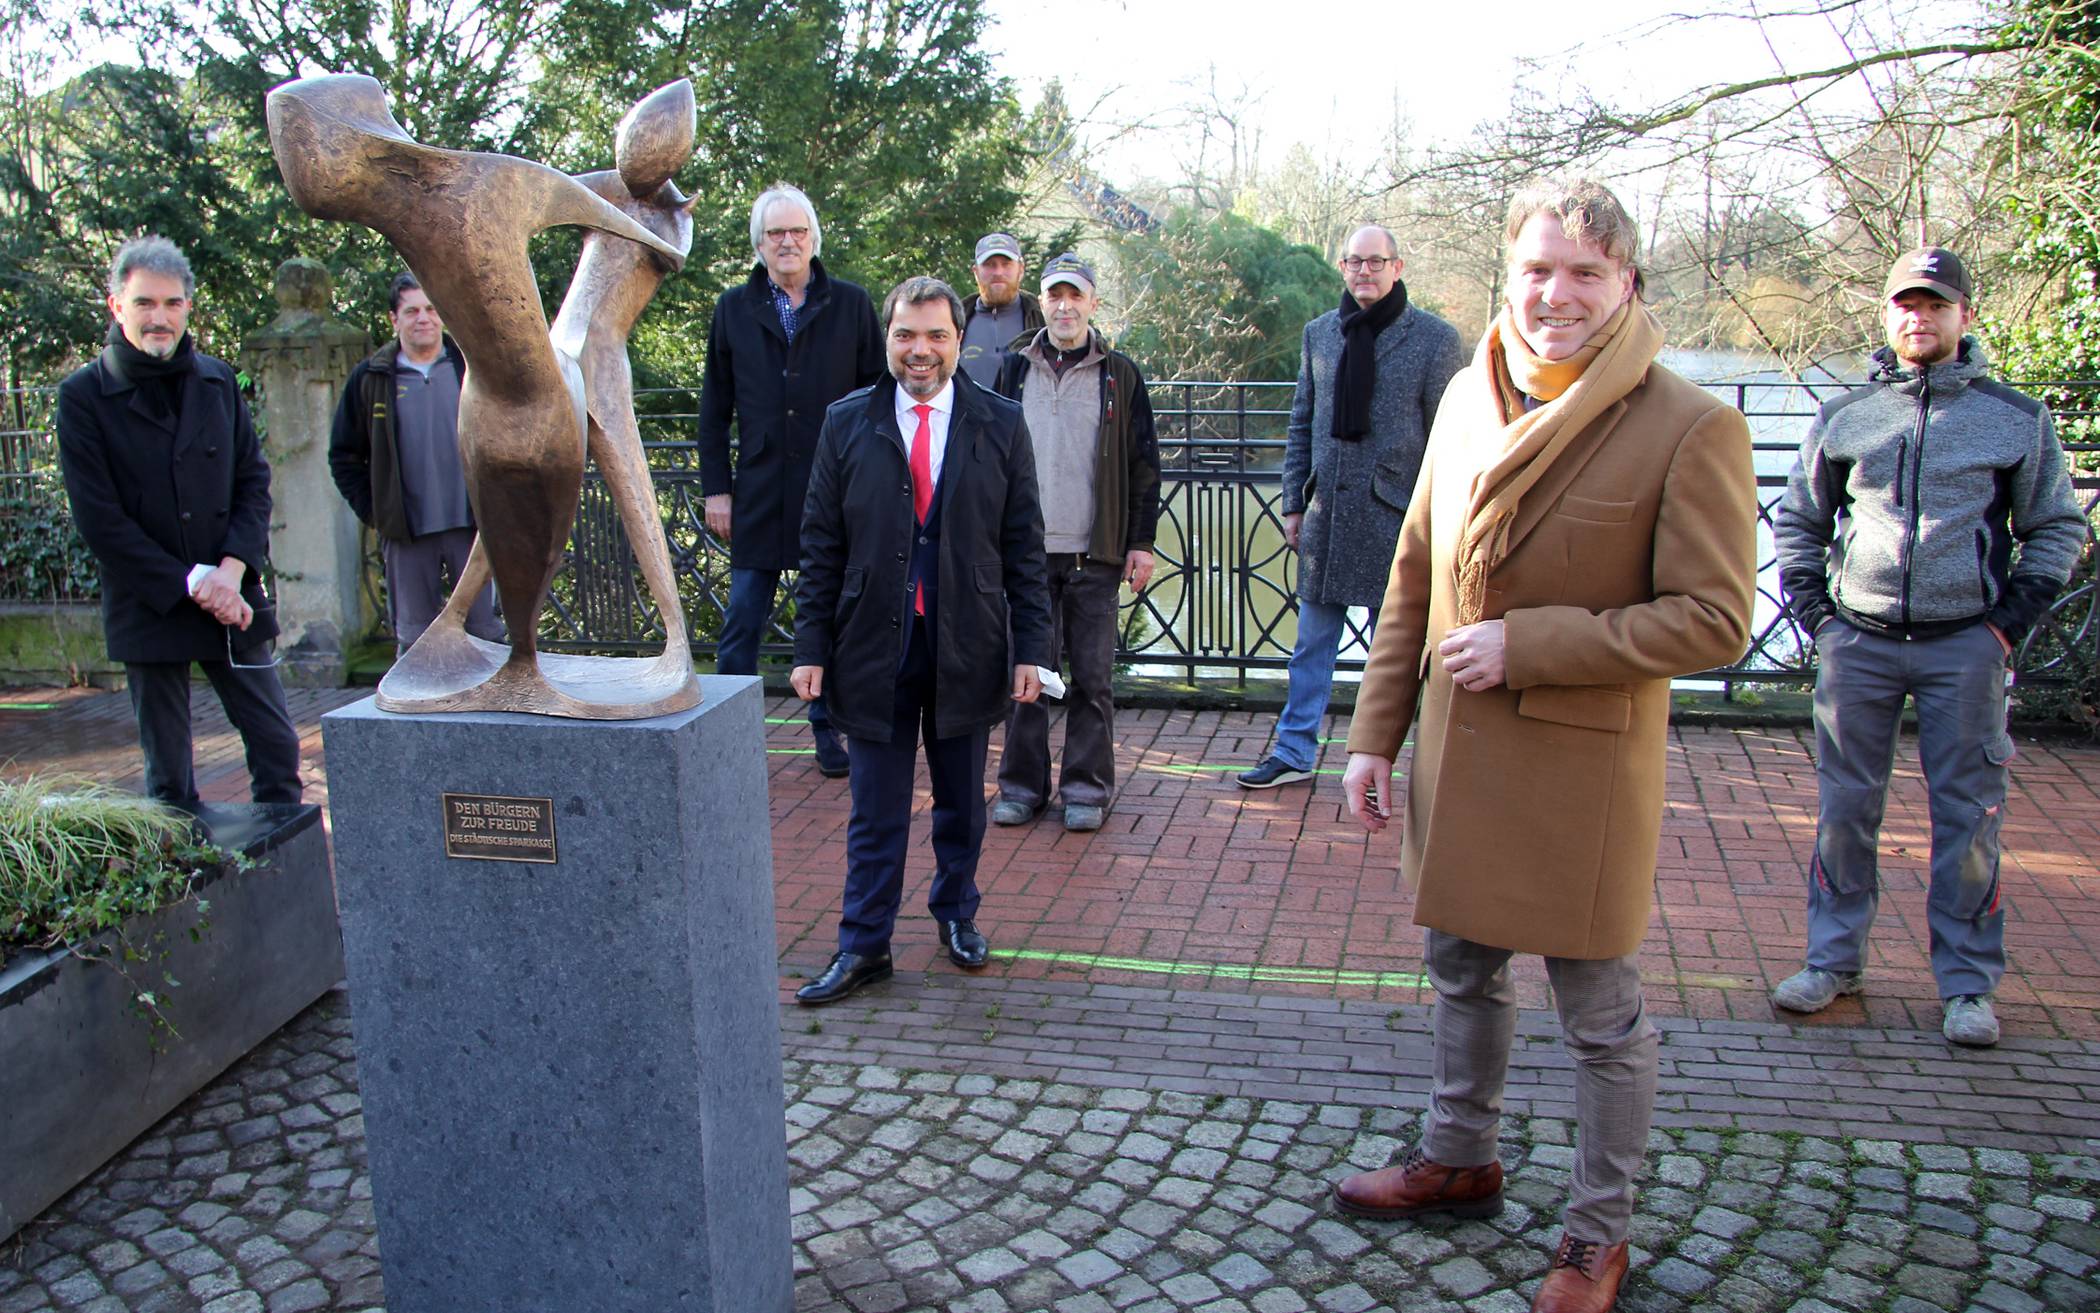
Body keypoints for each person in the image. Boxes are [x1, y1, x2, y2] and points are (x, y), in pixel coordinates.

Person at [1332, 181, 1756, 1313]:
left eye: (1585, 272)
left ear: (1628, 286)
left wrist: (1534, 642)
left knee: (1600, 1014)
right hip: (1460, 753)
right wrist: (1375, 734)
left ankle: (1594, 1234)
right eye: (1538, 269)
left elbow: (1716, 619)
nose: (1557, 293)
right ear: (1505, 278)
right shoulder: (1472, 394)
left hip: (1582, 768)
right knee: (1461, 967)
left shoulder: (1689, 423)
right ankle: (1459, 1154)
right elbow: (1413, 568)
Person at [1770, 246, 2086, 1047]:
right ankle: (1832, 960)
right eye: (1907, 304)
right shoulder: (1847, 417)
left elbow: (2056, 525)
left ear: (1965, 317)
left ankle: (1968, 985)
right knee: (1845, 810)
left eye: (1937, 304)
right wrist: (1817, 610)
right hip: (1860, 642)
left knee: (1969, 816)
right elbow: (1799, 517)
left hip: (1965, 646)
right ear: (1888, 314)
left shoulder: (2015, 418)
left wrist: (2007, 621)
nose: (1921, 317)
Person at [788, 276, 1051, 1005]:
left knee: (964, 801)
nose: (921, 350)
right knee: (875, 807)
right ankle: (864, 943)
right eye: (906, 335)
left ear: (959, 341)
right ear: (888, 339)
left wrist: (1033, 648)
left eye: (936, 335)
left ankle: (956, 914)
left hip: (967, 643)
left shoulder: (999, 422)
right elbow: (821, 545)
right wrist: (809, 647)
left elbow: (1023, 545)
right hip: (873, 643)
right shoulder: (847, 421)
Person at [56, 236, 304, 807]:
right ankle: (193, 892)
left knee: (276, 749)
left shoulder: (218, 383)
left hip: (232, 594)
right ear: (117, 306)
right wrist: (195, 583)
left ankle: (285, 886)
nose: (159, 318)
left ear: (189, 307)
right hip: (152, 603)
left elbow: (252, 484)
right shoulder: (83, 397)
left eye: (172, 304)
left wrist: (230, 570)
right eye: (145, 303)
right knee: (169, 780)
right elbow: (100, 520)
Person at [1236, 224, 1465, 788]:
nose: (1365, 271)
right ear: (1342, 267)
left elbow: (1450, 437)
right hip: (1327, 518)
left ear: (1397, 267)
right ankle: (1293, 753)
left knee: (1407, 650)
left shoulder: (1435, 339)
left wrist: (1442, 522)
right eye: (1354, 262)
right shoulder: (1321, 334)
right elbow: (1300, 423)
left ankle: (1419, 757)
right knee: (1311, 645)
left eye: (1375, 261)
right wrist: (1293, 503)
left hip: (1398, 520)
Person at [698, 183, 884, 775]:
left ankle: (828, 731)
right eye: (775, 233)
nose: (787, 242)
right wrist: (717, 488)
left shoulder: (851, 305)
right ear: (759, 243)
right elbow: (714, 406)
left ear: (812, 239)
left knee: (828, 618)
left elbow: (878, 398)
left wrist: (871, 483)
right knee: (742, 621)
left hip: (832, 491)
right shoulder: (733, 309)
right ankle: (728, 735)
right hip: (756, 492)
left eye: (796, 231)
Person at [985, 253, 1158, 832]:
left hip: (1094, 552)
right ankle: (1020, 786)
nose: (1064, 306)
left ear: (1092, 304)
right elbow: (987, 455)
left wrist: (1141, 543)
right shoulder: (1014, 368)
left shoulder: (1120, 375)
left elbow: (1143, 465)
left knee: (1091, 678)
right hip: (1026, 554)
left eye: (1075, 296)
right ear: (1043, 301)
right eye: (1055, 295)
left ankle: (1085, 788)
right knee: (1026, 675)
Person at [328, 272, 500, 652]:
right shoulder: (371, 378)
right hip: (407, 533)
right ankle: (417, 711)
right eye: (411, 311)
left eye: (430, 309)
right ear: (394, 319)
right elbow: (343, 456)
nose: (423, 318)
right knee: (415, 643)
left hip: (472, 531)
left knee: (485, 638)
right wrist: (378, 513)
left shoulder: (471, 367)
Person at [959, 232, 1043, 389]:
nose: (998, 272)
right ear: (975, 272)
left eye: (1006, 264)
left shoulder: (1042, 320)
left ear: (1021, 269)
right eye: (989, 264)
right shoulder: (954, 322)